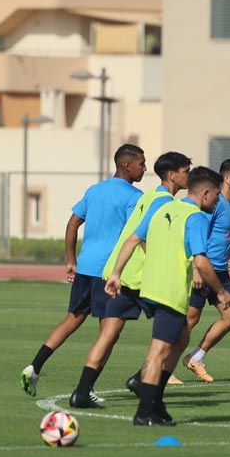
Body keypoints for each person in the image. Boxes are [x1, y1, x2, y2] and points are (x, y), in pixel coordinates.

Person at [105, 167, 230, 426]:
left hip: (151, 287)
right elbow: (201, 260)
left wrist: (117, 273)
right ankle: (145, 411)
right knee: (159, 352)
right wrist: (220, 292)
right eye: (217, 195)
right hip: (170, 291)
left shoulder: (165, 208)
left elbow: (132, 240)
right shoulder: (195, 217)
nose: (218, 200)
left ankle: (157, 403)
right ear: (206, 193)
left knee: (181, 338)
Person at [65, 151, 192, 409]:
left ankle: (82, 391)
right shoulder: (163, 203)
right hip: (137, 277)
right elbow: (141, 237)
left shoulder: (149, 195)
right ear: (172, 174)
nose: (188, 175)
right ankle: (147, 385)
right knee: (179, 333)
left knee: (109, 334)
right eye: (185, 170)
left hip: (123, 273)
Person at [20, 144, 145, 400]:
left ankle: (34, 366)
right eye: (142, 164)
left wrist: (71, 260)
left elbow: (73, 223)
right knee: (109, 334)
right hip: (108, 272)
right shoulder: (134, 197)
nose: (144, 168)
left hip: (86, 267)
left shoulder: (95, 190)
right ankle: (85, 390)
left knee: (70, 321)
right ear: (127, 165)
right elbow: (135, 234)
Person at [182, 159, 230, 382]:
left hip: (220, 271)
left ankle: (196, 357)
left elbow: (218, 234)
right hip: (203, 270)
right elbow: (197, 234)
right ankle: (161, 366)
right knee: (190, 319)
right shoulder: (213, 204)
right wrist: (196, 269)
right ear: (227, 179)